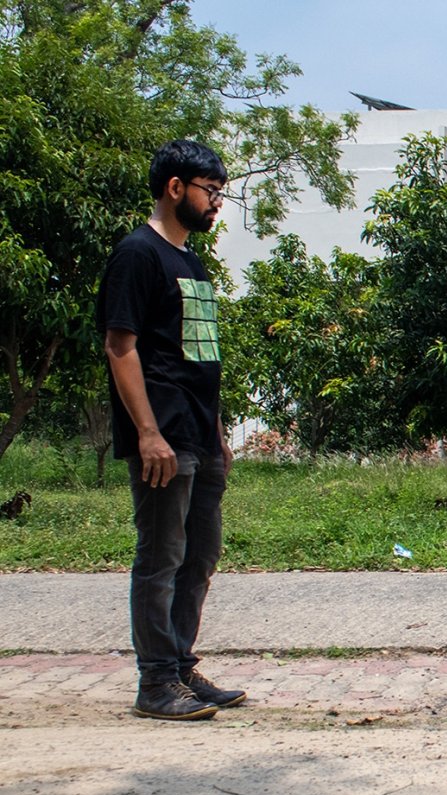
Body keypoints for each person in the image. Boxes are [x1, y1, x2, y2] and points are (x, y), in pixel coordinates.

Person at [98, 139, 246, 721]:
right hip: (162, 435)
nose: (217, 205)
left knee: (200, 554)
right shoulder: (138, 255)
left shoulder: (192, 262)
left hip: (198, 433)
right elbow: (120, 346)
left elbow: (197, 357)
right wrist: (147, 433)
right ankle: (155, 683)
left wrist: (216, 432)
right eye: (212, 192)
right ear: (176, 187)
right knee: (160, 557)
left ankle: (181, 667)